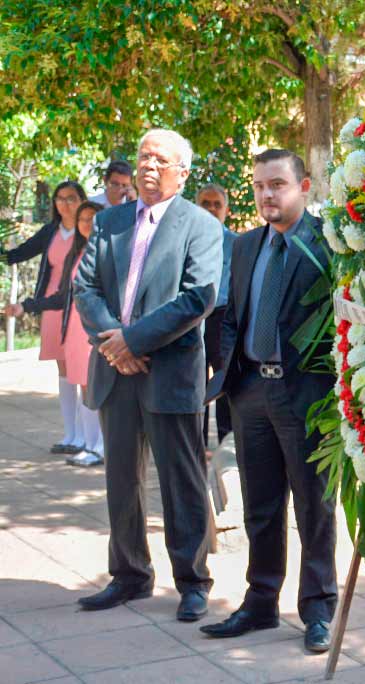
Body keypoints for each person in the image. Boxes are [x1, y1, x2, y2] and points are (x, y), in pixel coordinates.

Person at [73, 128, 222, 622]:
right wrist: (116, 341)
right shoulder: (111, 221)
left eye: (161, 159)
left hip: (169, 370)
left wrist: (133, 341)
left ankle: (193, 581)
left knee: (181, 480)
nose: (149, 166)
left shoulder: (199, 225)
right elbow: (86, 287)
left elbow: (197, 297)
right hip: (116, 371)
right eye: (143, 156)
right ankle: (129, 574)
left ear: (183, 171)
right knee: (121, 480)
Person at [199, 150, 336, 654]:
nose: (267, 194)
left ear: (302, 185)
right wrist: (229, 376)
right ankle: (260, 602)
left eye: (277, 184)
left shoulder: (330, 244)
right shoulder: (243, 245)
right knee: (260, 506)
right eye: (259, 185)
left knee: (314, 506)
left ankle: (319, 608)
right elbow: (231, 314)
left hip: (307, 396)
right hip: (251, 391)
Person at [7, 201, 108, 466]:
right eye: (83, 219)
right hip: (73, 330)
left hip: (93, 329)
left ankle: (100, 446)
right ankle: (89, 444)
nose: (87, 223)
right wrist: (26, 306)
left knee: (92, 387)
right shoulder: (77, 253)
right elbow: (62, 297)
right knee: (83, 388)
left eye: (93, 218)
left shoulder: (108, 253)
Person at [3, 181, 87, 455]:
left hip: (77, 303)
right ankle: (71, 435)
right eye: (60, 199)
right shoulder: (51, 230)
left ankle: (88, 439)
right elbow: (20, 253)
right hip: (51, 303)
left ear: (81, 200)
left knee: (81, 369)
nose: (65, 204)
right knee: (63, 370)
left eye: (71, 198)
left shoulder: (88, 230)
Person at [196, 182, 236, 447]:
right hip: (194, 319)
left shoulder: (236, 243)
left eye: (216, 204)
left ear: (226, 209)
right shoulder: (188, 240)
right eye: (205, 204)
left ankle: (227, 444)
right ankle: (196, 445)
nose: (211, 209)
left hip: (223, 318)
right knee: (196, 381)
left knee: (224, 381)